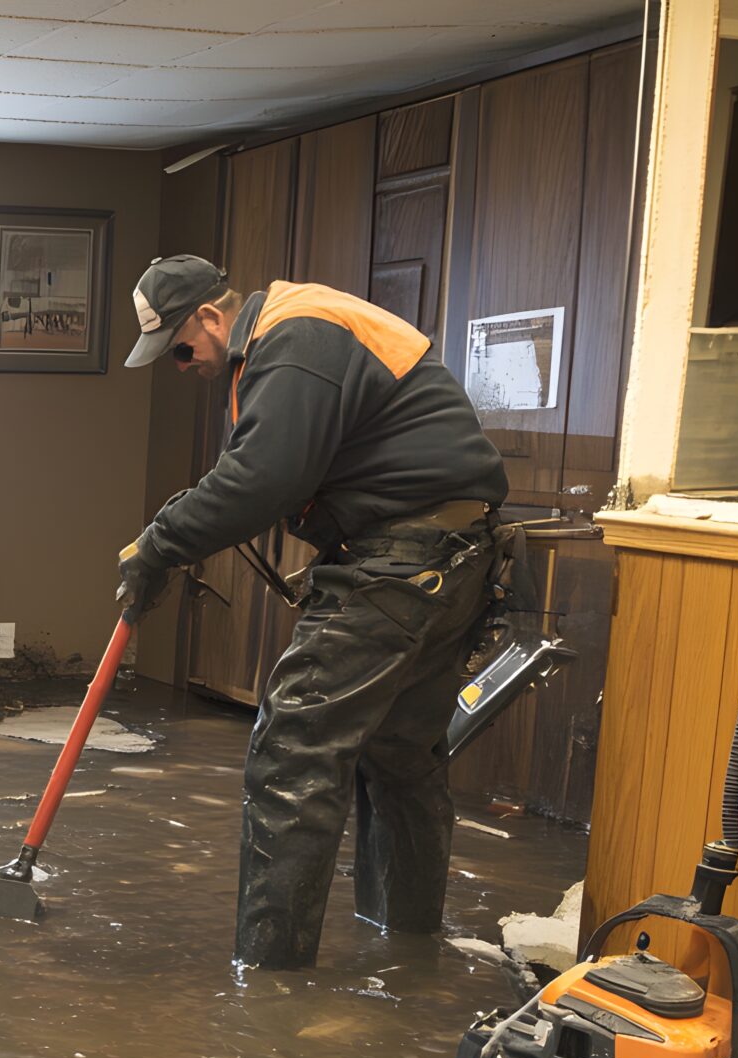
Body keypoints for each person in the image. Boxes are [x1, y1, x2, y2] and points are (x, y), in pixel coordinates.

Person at [115, 254, 508, 971]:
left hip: (402, 560)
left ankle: (265, 990)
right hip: (448, 555)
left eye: (179, 346)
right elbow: (259, 470)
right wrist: (166, 534)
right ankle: (406, 957)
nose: (181, 364)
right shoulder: (299, 333)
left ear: (211, 317)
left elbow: (262, 478)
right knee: (398, 755)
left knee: (293, 745)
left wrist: (158, 546)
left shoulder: (294, 338)